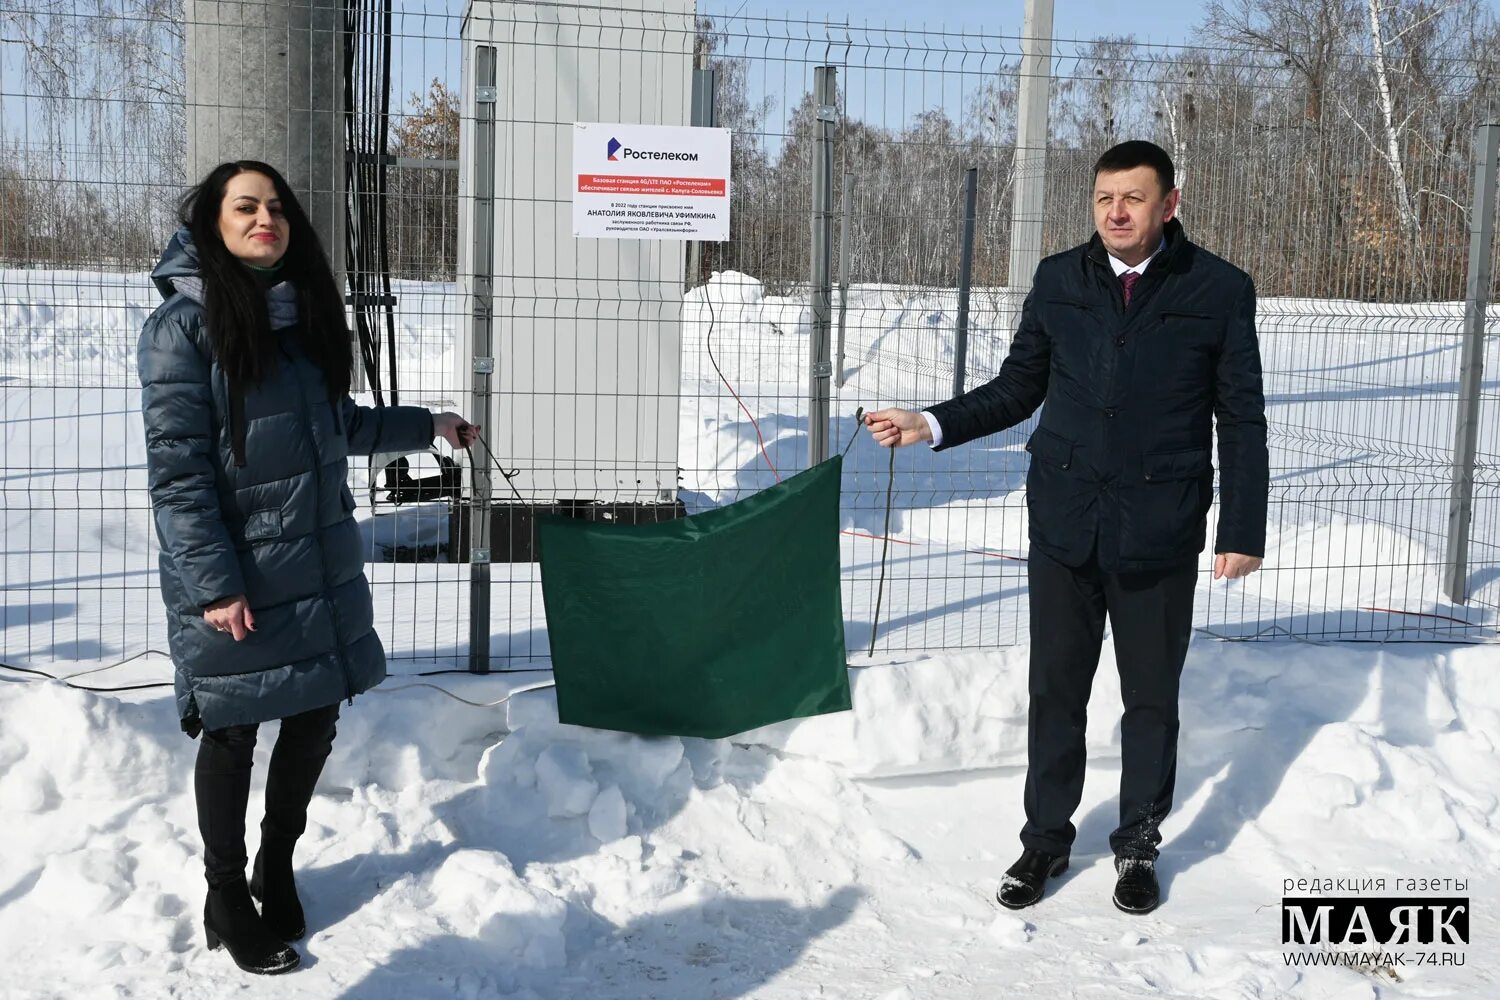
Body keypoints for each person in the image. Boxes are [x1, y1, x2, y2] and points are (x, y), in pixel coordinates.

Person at [865, 140, 1267, 915]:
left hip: (1160, 528)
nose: (1116, 212)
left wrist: (1241, 527)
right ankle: (1044, 841)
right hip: (1064, 523)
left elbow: (1240, 418)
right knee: (1056, 692)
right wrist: (932, 422)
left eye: (1134, 198)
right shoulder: (1060, 279)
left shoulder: (1218, 288)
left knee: (1150, 697)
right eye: (1104, 198)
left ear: (1169, 205)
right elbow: (1020, 386)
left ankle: (1138, 844)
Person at [138, 161, 479, 974]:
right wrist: (212, 583)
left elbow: (339, 428)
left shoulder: (300, 317)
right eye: (246, 207)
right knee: (232, 727)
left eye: (278, 208)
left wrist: (426, 424)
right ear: (211, 224)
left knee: (316, 713)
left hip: (319, 559)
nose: (267, 219)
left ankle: (276, 863)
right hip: (238, 572)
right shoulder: (183, 328)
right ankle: (225, 892)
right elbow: (178, 472)